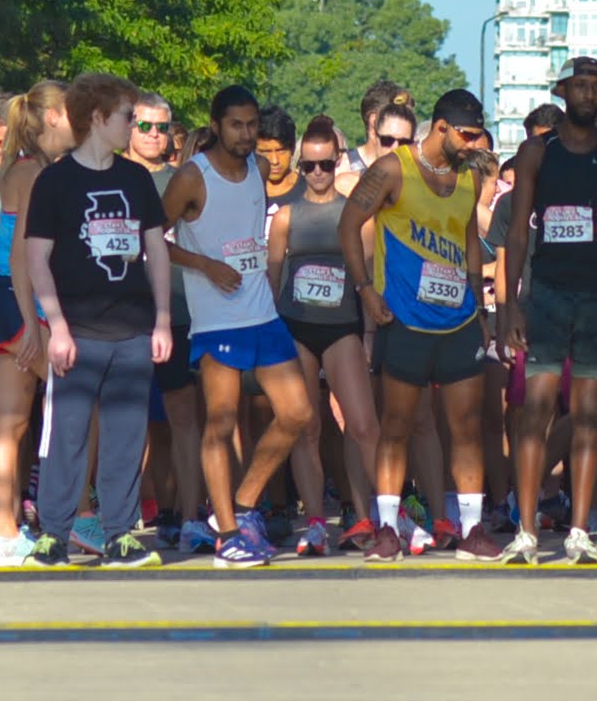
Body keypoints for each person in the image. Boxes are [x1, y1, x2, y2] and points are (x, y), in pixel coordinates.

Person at [493, 60, 597, 564]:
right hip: (549, 293)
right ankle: (528, 531)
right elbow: (517, 230)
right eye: (579, 86)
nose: (588, 94)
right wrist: (511, 302)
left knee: (587, 413)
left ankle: (580, 531)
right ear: (561, 92)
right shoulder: (538, 150)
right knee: (535, 409)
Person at [24, 74, 176, 563]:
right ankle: (53, 532)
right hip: (78, 330)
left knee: (126, 433)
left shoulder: (135, 179)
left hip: (132, 328)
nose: (134, 125)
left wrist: (162, 321)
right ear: (98, 118)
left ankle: (119, 533)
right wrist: (57, 327)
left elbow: (156, 250)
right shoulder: (55, 180)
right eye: (127, 117)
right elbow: (35, 258)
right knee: (66, 434)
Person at [169, 84, 321, 567]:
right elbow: (149, 235)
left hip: (263, 314)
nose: (246, 133)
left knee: (297, 413)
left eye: (252, 124)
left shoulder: (257, 168)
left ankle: (241, 504)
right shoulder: (193, 177)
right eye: (236, 124)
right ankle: (229, 536)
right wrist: (203, 264)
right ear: (216, 126)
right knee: (221, 422)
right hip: (217, 322)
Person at [346, 94, 495, 554]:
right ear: (443, 127)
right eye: (466, 136)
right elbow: (348, 225)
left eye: (477, 136)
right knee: (396, 423)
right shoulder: (393, 169)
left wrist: (480, 306)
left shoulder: (469, 176)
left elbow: (469, 238)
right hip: (405, 319)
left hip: (458, 321)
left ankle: (471, 530)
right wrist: (366, 291)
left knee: (466, 425)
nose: (473, 145)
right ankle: (387, 527)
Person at [278, 115, 377, 556]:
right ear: (300, 166)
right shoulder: (285, 216)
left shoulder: (355, 215)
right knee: (305, 428)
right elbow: (271, 280)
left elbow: (369, 277)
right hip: (296, 329)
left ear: (339, 161)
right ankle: (316, 521)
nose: (317, 174)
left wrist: (371, 332)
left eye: (325, 164)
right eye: (309, 166)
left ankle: (368, 515)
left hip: (342, 328)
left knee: (361, 424)